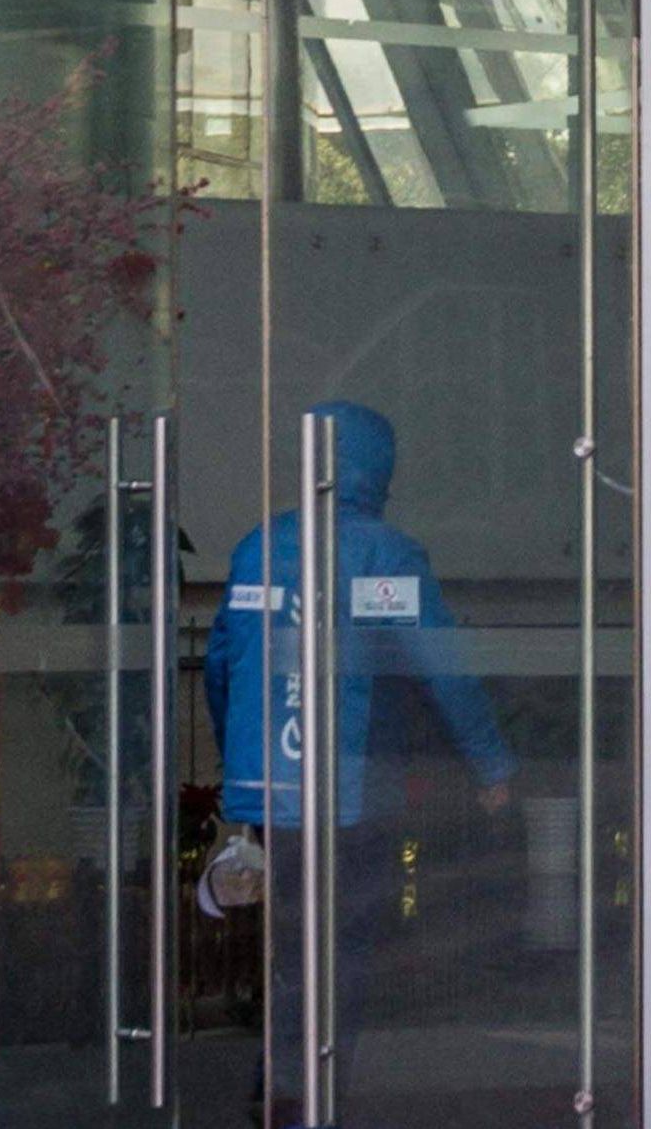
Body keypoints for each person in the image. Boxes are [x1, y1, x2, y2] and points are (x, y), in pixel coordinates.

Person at [201, 401, 518, 1102]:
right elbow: (443, 668)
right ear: (378, 470)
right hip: (351, 793)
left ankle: (283, 1089)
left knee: (291, 948)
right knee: (339, 953)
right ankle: (306, 1098)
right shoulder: (386, 554)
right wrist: (490, 763)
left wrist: (244, 768)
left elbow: (221, 667)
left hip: (273, 791)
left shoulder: (258, 546)